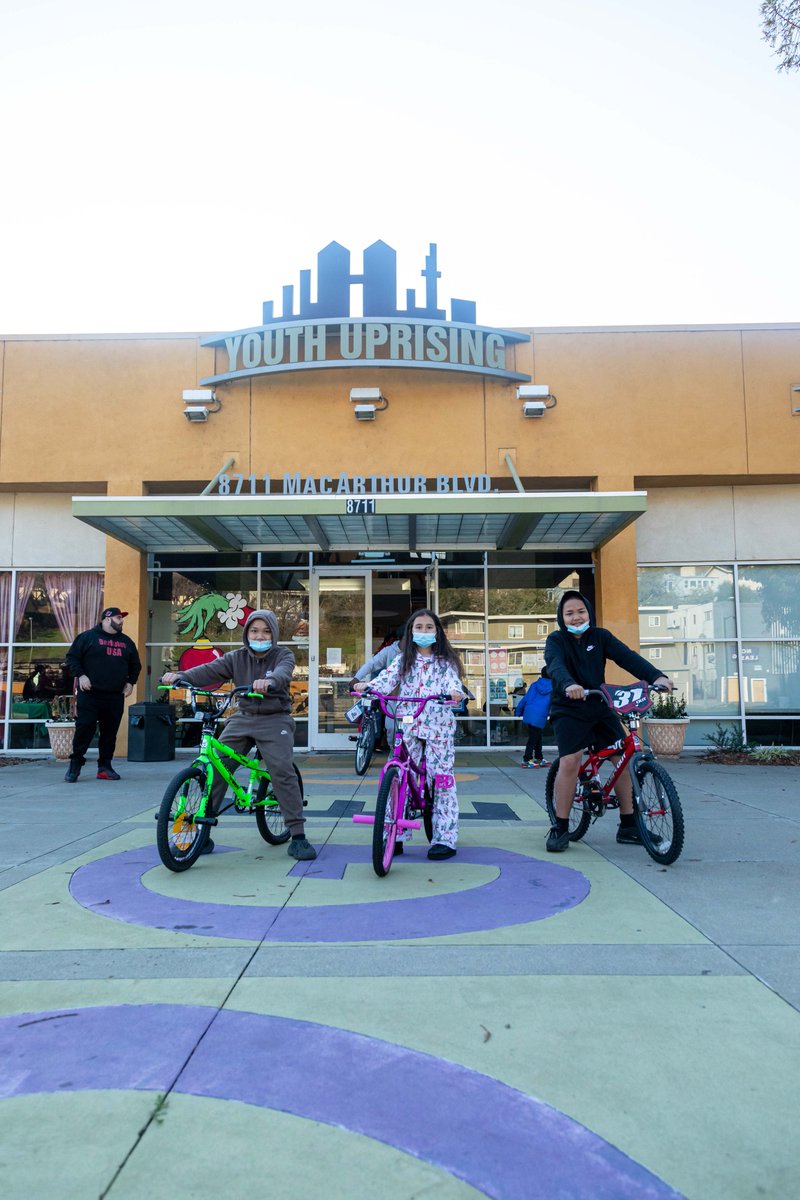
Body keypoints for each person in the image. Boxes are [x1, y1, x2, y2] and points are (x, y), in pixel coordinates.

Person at [161, 609, 315, 861]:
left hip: (275, 718)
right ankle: (202, 832)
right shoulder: (236, 657)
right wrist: (181, 676)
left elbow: (283, 673)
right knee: (217, 767)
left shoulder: (283, 654)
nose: (259, 636)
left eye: (266, 631)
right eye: (254, 631)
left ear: (274, 634)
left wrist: (270, 682)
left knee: (281, 769)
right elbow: (208, 670)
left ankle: (298, 835)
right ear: (246, 633)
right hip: (243, 717)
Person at [544, 590, 673, 853]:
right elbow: (555, 665)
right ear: (562, 617)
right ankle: (560, 826)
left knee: (623, 759)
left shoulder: (600, 637)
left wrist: (657, 676)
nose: (576, 617)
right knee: (570, 761)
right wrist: (569, 684)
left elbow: (628, 657)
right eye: (569, 613)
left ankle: (629, 825)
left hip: (599, 705)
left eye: (581, 611)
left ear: (589, 613)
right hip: (568, 707)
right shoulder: (556, 640)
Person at [355, 608, 464, 861]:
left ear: (437, 632)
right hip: (409, 722)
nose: (424, 632)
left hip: (438, 726)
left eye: (429, 627)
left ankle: (444, 838)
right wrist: (368, 686)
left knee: (441, 779)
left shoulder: (446, 662)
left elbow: (453, 683)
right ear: (410, 632)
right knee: (401, 773)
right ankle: (396, 833)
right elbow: (386, 679)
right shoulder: (403, 660)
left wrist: (455, 693)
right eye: (419, 627)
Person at [64, 606, 142, 783]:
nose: (121, 621)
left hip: (114, 695)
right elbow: (72, 658)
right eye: (118, 618)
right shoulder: (88, 637)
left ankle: (105, 767)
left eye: (122, 618)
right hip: (90, 694)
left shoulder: (126, 642)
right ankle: (75, 765)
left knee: (109, 733)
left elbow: (135, 665)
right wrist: (81, 675)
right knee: (85, 728)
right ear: (107, 619)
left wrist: (131, 682)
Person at [350, 623, 404, 748]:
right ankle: (393, 750)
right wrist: (357, 679)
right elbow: (372, 664)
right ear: (401, 638)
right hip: (393, 697)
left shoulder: (419, 654)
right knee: (391, 728)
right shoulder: (390, 651)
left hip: (413, 699)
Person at [514, 670, 553, 768]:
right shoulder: (554, 687)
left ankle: (539, 758)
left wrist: (518, 711)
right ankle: (526, 760)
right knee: (533, 738)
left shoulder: (534, 685)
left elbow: (525, 698)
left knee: (537, 736)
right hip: (540, 715)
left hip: (529, 712)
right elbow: (554, 703)